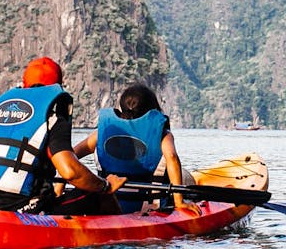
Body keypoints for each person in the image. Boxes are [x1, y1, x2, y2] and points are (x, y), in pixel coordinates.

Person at [0, 56, 126, 215]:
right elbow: (70, 171)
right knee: (99, 193)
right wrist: (105, 185)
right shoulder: (52, 116)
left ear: (24, 85)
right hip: (24, 208)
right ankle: (124, 229)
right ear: (57, 86)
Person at [73, 83, 200, 216]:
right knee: (186, 178)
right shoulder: (162, 134)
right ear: (152, 109)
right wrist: (179, 201)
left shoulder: (101, 133)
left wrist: (60, 187)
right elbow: (172, 157)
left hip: (108, 205)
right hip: (150, 207)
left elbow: (72, 155)